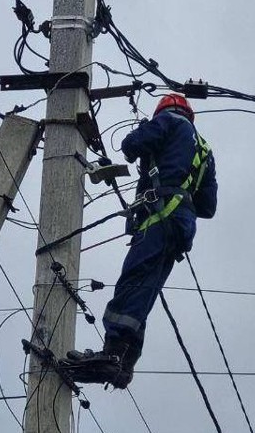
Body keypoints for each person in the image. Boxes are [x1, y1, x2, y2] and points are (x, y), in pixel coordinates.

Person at [66, 93, 218, 388]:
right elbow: (208, 206)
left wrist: (152, 155)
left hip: (160, 215)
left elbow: (131, 146)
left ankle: (112, 355)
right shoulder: (205, 150)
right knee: (145, 291)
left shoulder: (169, 122)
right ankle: (124, 365)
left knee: (133, 282)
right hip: (182, 225)